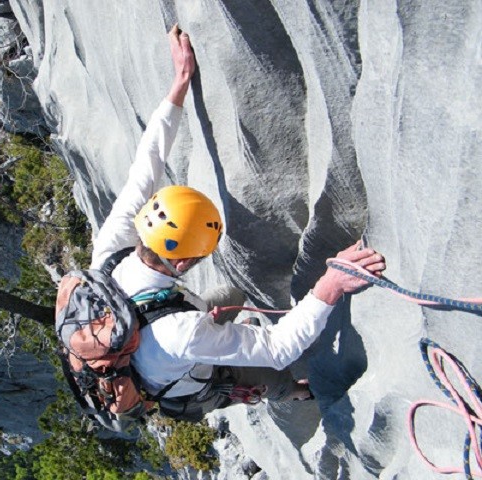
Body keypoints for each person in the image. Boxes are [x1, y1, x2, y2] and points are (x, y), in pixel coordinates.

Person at [90, 25, 386, 419]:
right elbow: (280, 347)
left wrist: (179, 84)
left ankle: (275, 376)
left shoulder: (110, 253)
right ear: (181, 265)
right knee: (267, 374)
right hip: (182, 376)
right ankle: (296, 394)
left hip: (164, 325)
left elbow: (145, 166)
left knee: (233, 292)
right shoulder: (182, 331)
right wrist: (331, 285)